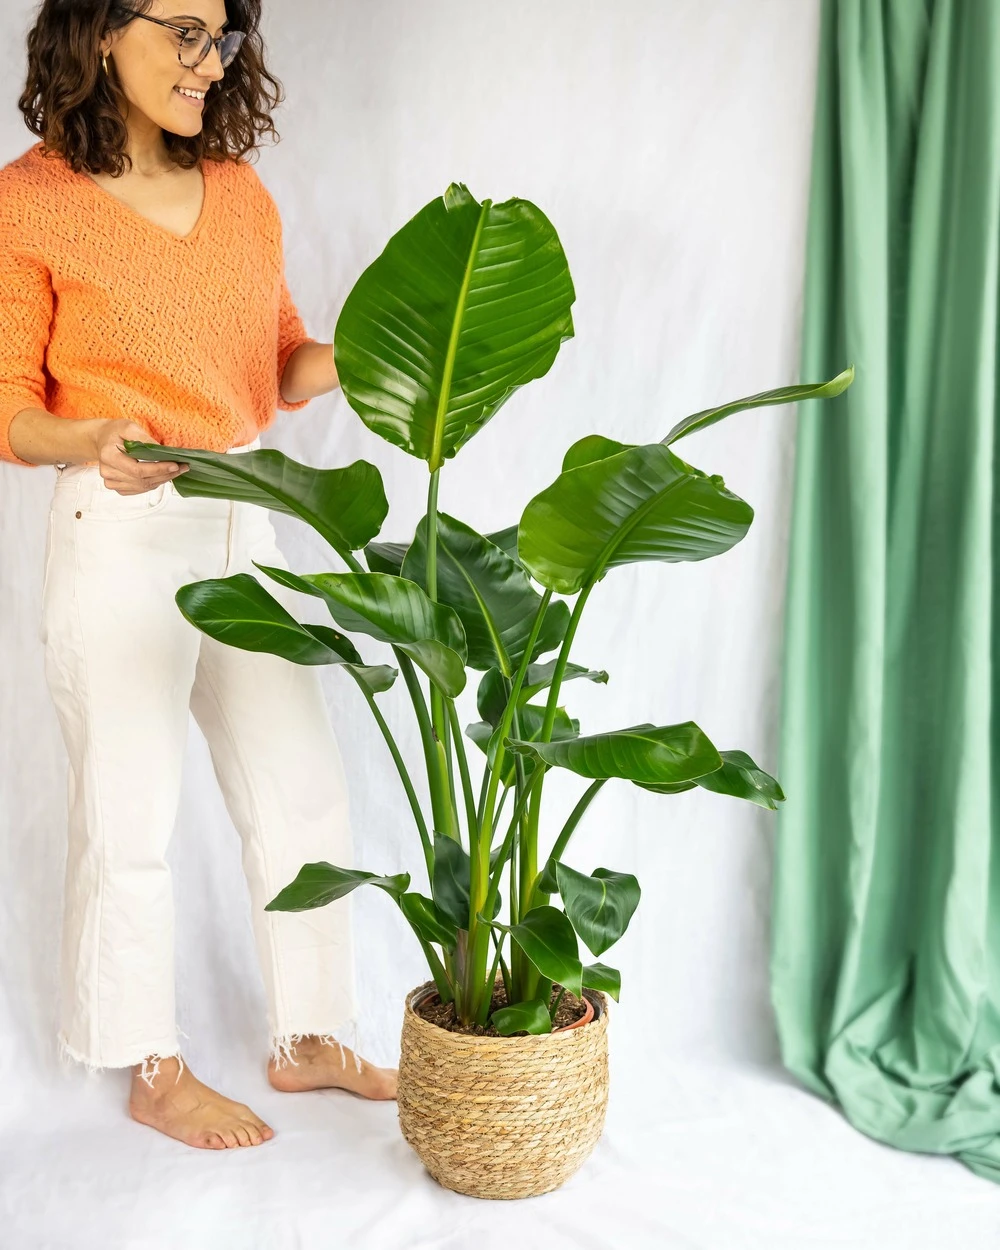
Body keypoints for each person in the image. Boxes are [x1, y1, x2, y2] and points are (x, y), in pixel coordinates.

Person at [0, 0, 397, 1150]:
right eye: (184, 29)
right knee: (129, 812)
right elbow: (9, 404)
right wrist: (87, 438)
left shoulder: (240, 193)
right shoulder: (30, 200)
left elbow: (279, 361)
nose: (207, 61)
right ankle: (152, 1066)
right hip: (120, 525)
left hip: (243, 516)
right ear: (99, 30)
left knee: (300, 782)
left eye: (220, 38)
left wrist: (377, 353)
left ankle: (307, 1036)